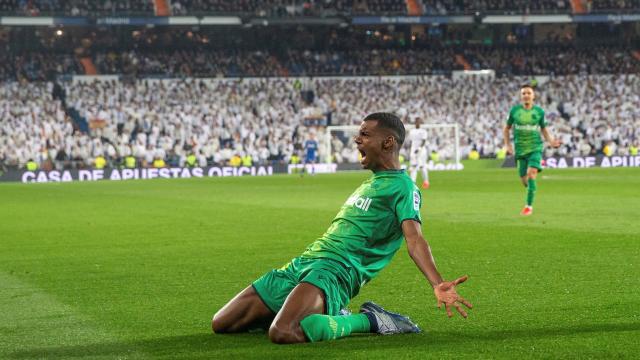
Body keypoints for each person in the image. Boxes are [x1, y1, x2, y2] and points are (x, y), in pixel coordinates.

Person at [212, 112, 472, 344]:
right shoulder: (370, 183)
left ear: (388, 142)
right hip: (305, 262)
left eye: (365, 134)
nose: (357, 139)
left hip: (337, 270)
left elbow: (414, 239)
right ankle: (322, 311)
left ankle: (370, 320)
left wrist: (437, 283)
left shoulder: (403, 187)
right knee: (223, 323)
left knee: (284, 332)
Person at [503, 84, 561, 216]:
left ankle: (528, 207)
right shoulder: (514, 111)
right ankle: (533, 182)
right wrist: (508, 145)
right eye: (523, 93)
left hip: (535, 147)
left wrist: (551, 141)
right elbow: (506, 128)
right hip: (520, 150)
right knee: (525, 181)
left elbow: (543, 129)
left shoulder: (539, 112)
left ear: (533, 96)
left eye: (529, 93)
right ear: (521, 96)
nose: (526, 95)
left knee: (531, 174)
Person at [407, 117, 430, 189]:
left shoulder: (423, 131)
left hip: (421, 151)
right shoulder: (412, 131)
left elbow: (424, 141)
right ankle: (412, 183)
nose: (417, 123)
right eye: (416, 121)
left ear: (420, 123)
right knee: (413, 166)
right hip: (413, 150)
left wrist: (419, 148)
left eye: (419, 121)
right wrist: (410, 150)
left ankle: (426, 182)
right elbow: (411, 141)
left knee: (422, 166)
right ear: (415, 122)